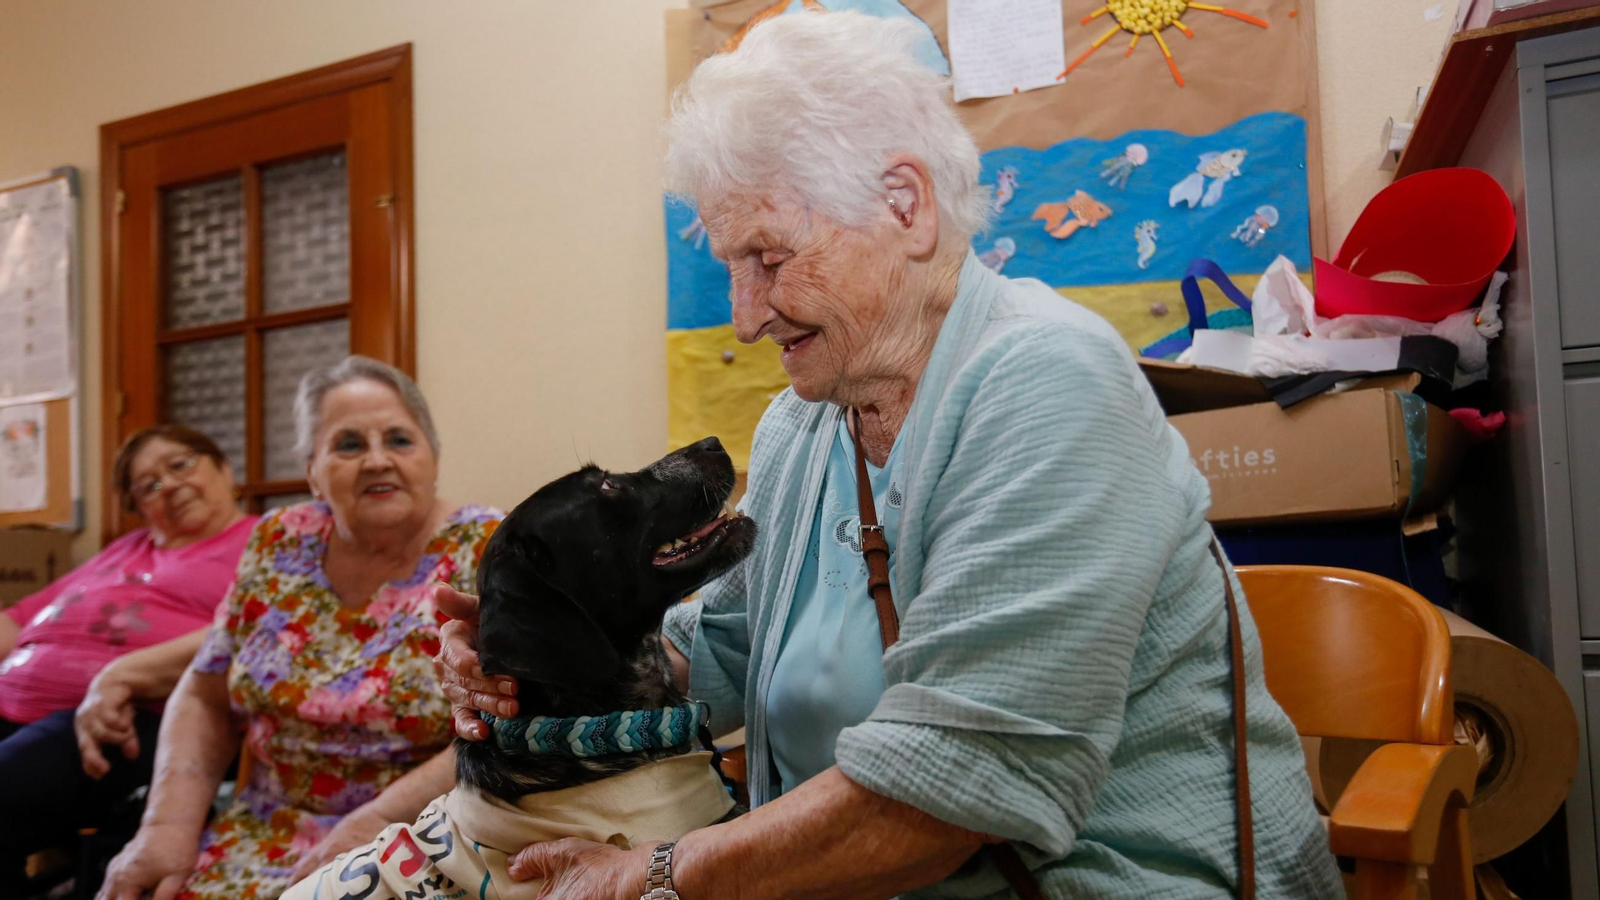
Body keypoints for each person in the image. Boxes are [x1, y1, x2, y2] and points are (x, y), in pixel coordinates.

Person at [435, 11, 1341, 899]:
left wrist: (661, 874)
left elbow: (956, 784)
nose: (746, 316)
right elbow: (725, 658)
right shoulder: (803, 425)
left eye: (769, 258)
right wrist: (527, 663)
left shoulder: (1046, 382)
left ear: (903, 205)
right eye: (730, 266)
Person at [97, 356, 503, 900]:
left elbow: (507, 725)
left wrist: (373, 822)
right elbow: (205, 691)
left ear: (432, 459)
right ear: (312, 470)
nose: (377, 460)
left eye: (400, 440)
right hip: (263, 834)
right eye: (349, 445)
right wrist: (165, 830)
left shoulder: (487, 547)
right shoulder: (277, 541)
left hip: (424, 833)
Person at [0, 425, 256, 894]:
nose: (171, 485)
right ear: (142, 510)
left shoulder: (264, 542)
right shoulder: (125, 549)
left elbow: (256, 626)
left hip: (126, 714)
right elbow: (16, 620)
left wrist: (124, 673)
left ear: (225, 469)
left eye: (181, 465)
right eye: (149, 485)